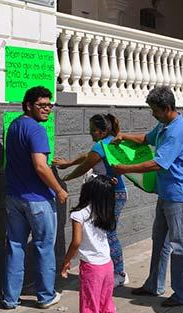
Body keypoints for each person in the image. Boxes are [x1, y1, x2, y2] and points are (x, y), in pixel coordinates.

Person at [112, 86, 183, 307]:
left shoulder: (177, 131)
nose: (152, 113)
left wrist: (125, 169)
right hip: (165, 193)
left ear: (167, 108)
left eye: (155, 110)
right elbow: (145, 138)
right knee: (159, 240)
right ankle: (154, 285)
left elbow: (157, 163)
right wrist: (123, 137)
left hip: (177, 195)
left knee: (179, 245)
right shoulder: (164, 125)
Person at [1, 86, 68, 310]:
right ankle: (46, 296)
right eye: (42, 105)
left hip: (14, 197)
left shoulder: (15, 125)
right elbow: (41, 166)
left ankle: (10, 298)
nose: (47, 109)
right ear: (29, 105)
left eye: (50, 105)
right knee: (44, 247)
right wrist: (58, 189)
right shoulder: (37, 130)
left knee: (15, 246)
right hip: (38, 199)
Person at [54, 113, 130, 288]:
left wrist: (64, 178)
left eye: (92, 131)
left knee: (109, 233)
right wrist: (69, 162)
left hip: (112, 194)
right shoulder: (109, 141)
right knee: (104, 232)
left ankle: (119, 273)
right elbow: (89, 156)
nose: (90, 134)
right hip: (113, 193)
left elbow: (85, 166)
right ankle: (108, 268)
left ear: (102, 132)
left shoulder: (102, 145)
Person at [61, 175, 118, 313]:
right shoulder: (104, 212)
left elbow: (76, 242)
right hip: (107, 265)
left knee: (89, 308)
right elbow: (109, 193)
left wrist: (66, 261)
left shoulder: (79, 214)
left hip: (91, 268)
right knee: (106, 305)